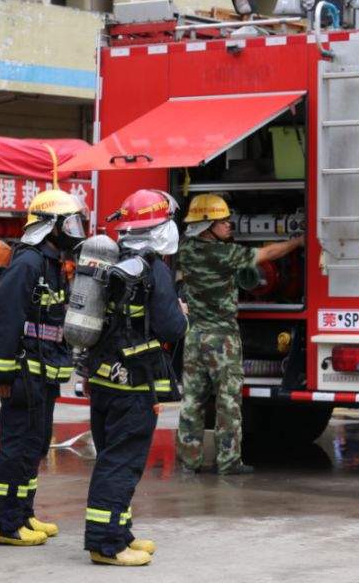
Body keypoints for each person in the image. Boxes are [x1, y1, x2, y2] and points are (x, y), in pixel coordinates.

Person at [83, 189, 188, 567]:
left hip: (104, 379)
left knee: (112, 456)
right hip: (133, 386)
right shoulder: (153, 269)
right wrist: (182, 313)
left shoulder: (113, 263)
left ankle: (120, 530)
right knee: (121, 462)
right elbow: (171, 327)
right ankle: (106, 544)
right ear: (159, 228)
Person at [0, 189, 85, 546]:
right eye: (70, 223)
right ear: (51, 227)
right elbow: (6, 321)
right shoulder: (27, 263)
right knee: (17, 449)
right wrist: (3, 375)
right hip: (24, 373)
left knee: (35, 446)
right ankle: (5, 523)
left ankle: (23, 513)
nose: (76, 230)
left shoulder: (52, 263)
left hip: (43, 374)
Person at [175, 194, 304, 475]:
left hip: (195, 337)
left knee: (193, 401)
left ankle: (189, 460)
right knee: (228, 402)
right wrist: (298, 242)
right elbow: (267, 255)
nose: (229, 224)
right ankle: (228, 461)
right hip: (222, 339)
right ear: (207, 224)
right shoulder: (224, 254)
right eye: (223, 220)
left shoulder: (185, 251)